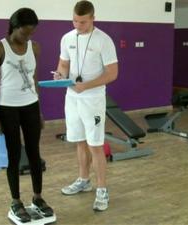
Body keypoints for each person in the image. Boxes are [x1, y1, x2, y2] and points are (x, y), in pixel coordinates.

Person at [0, 8, 54, 223]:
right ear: (14, 27)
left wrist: (40, 111)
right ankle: (16, 201)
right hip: (7, 108)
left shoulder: (34, 47)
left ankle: (37, 197)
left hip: (30, 106)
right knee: (14, 156)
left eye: (31, 33)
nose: (28, 37)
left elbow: (34, 81)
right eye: (24, 32)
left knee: (35, 154)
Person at [53, 0, 118, 211]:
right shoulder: (67, 38)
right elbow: (63, 64)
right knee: (80, 141)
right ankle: (83, 180)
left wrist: (87, 85)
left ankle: (102, 190)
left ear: (92, 19)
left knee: (95, 145)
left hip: (93, 100)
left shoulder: (104, 40)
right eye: (74, 21)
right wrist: (60, 76)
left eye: (82, 22)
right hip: (72, 98)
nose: (77, 25)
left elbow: (112, 73)